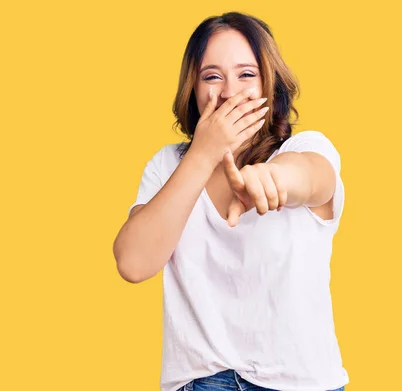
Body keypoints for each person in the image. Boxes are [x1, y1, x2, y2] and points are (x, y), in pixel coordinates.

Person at [113, 11, 349, 391]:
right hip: (200, 383)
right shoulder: (167, 166)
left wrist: (270, 179)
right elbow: (133, 262)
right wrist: (204, 155)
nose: (227, 92)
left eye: (246, 74)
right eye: (212, 76)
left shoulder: (308, 148)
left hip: (300, 383)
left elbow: (310, 178)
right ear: (193, 88)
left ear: (270, 84)